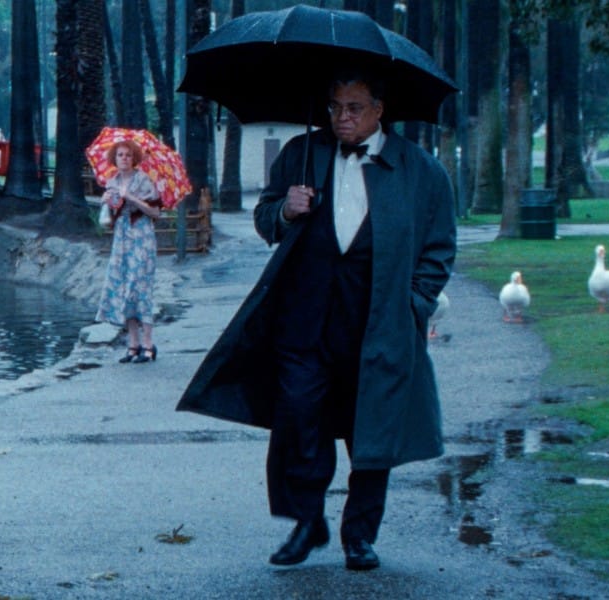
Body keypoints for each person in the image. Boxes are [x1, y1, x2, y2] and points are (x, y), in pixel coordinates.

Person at [177, 68, 456, 570]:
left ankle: (360, 535)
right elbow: (264, 219)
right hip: (303, 320)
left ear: (379, 109)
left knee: (372, 429)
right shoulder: (302, 155)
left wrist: (414, 303)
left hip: (378, 325)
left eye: (353, 108)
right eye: (334, 107)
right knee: (299, 421)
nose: (341, 118)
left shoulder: (421, 172)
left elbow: (439, 250)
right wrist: (286, 209)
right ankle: (307, 522)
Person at [95, 139, 162, 364]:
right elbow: (109, 219)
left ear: (134, 158)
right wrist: (106, 202)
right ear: (114, 158)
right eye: (120, 155)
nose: (124, 158)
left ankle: (148, 344)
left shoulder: (143, 181)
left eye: (128, 155)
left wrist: (131, 197)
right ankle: (133, 345)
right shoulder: (111, 182)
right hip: (121, 236)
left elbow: (155, 213)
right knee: (124, 288)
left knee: (139, 287)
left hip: (141, 235)